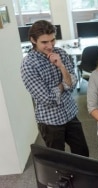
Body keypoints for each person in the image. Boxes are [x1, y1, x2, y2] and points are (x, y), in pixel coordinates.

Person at [20, 20, 89, 157]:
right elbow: (47, 99)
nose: (50, 46)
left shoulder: (61, 53)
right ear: (33, 40)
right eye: (44, 42)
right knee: (58, 161)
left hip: (70, 113)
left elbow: (73, 83)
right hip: (50, 122)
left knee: (83, 153)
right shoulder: (28, 65)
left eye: (52, 40)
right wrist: (64, 84)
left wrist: (61, 67)